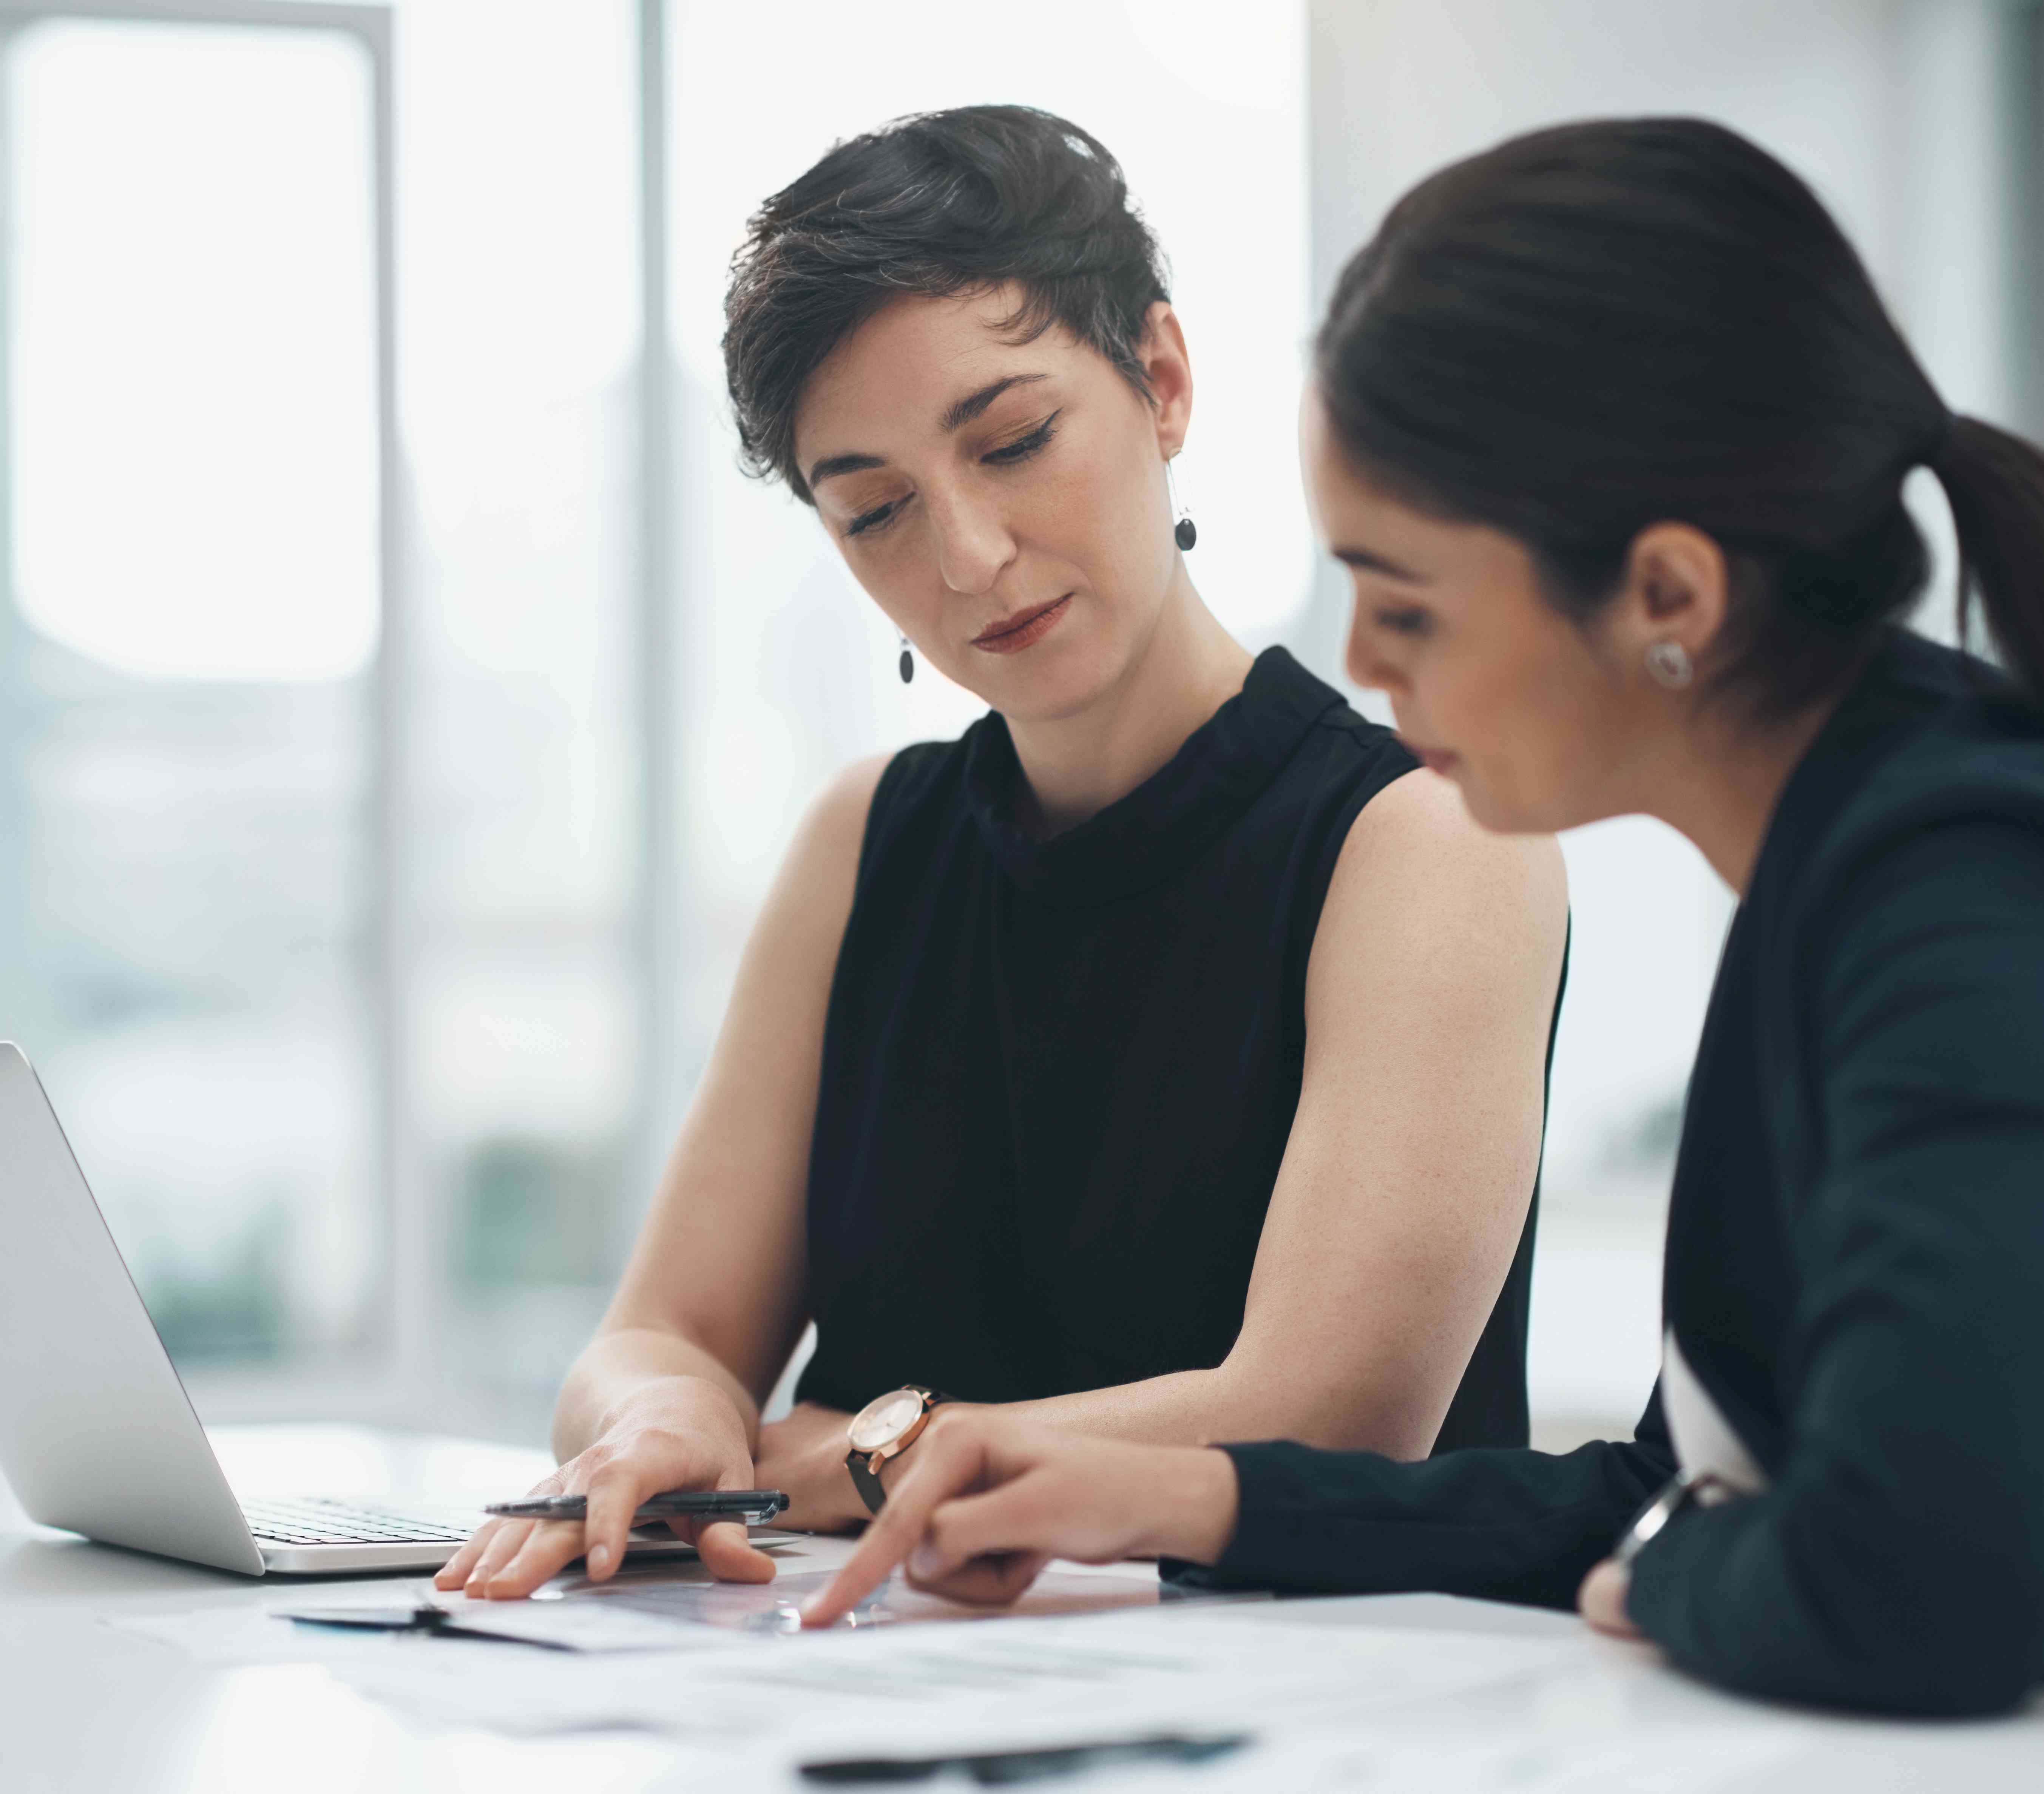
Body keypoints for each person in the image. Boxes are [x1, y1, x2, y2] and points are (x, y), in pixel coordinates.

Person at [801, 117, 2044, 1729]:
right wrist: (1172, 1500)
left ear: (1669, 603)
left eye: (1407, 598)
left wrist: (1668, 1575)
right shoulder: (1850, 864)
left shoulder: (1965, 886)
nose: (1364, 653)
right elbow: (1669, 1483)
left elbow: (1905, 1596)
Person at [437, 106, 1567, 1601]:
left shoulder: (1427, 838)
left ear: (1160, 383)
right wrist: (663, 1419)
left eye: (1016, 441)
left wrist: (837, 1452)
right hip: (868, 1692)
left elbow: (1326, 1419)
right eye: (876, 511)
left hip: (1304, 1715)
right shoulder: (863, 842)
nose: (965, 555)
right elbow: (660, 1337)